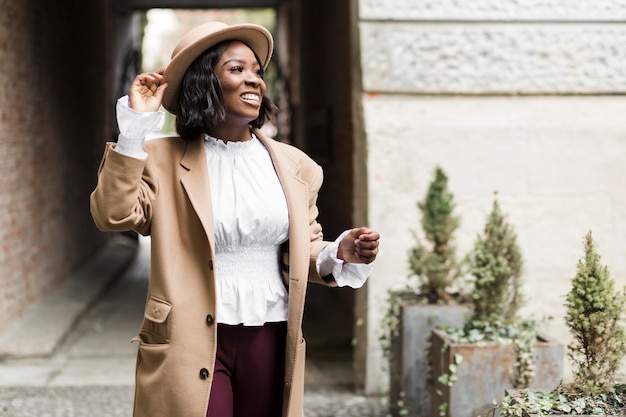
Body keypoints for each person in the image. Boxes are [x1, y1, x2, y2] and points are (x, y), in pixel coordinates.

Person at [90, 21, 380, 417]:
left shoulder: (296, 167)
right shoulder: (160, 159)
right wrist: (134, 130)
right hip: (186, 337)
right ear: (204, 83)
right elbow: (112, 213)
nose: (255, 81)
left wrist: (340, 252)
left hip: (272, 332)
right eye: (237, 69)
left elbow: (302, 251)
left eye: (258, 72)